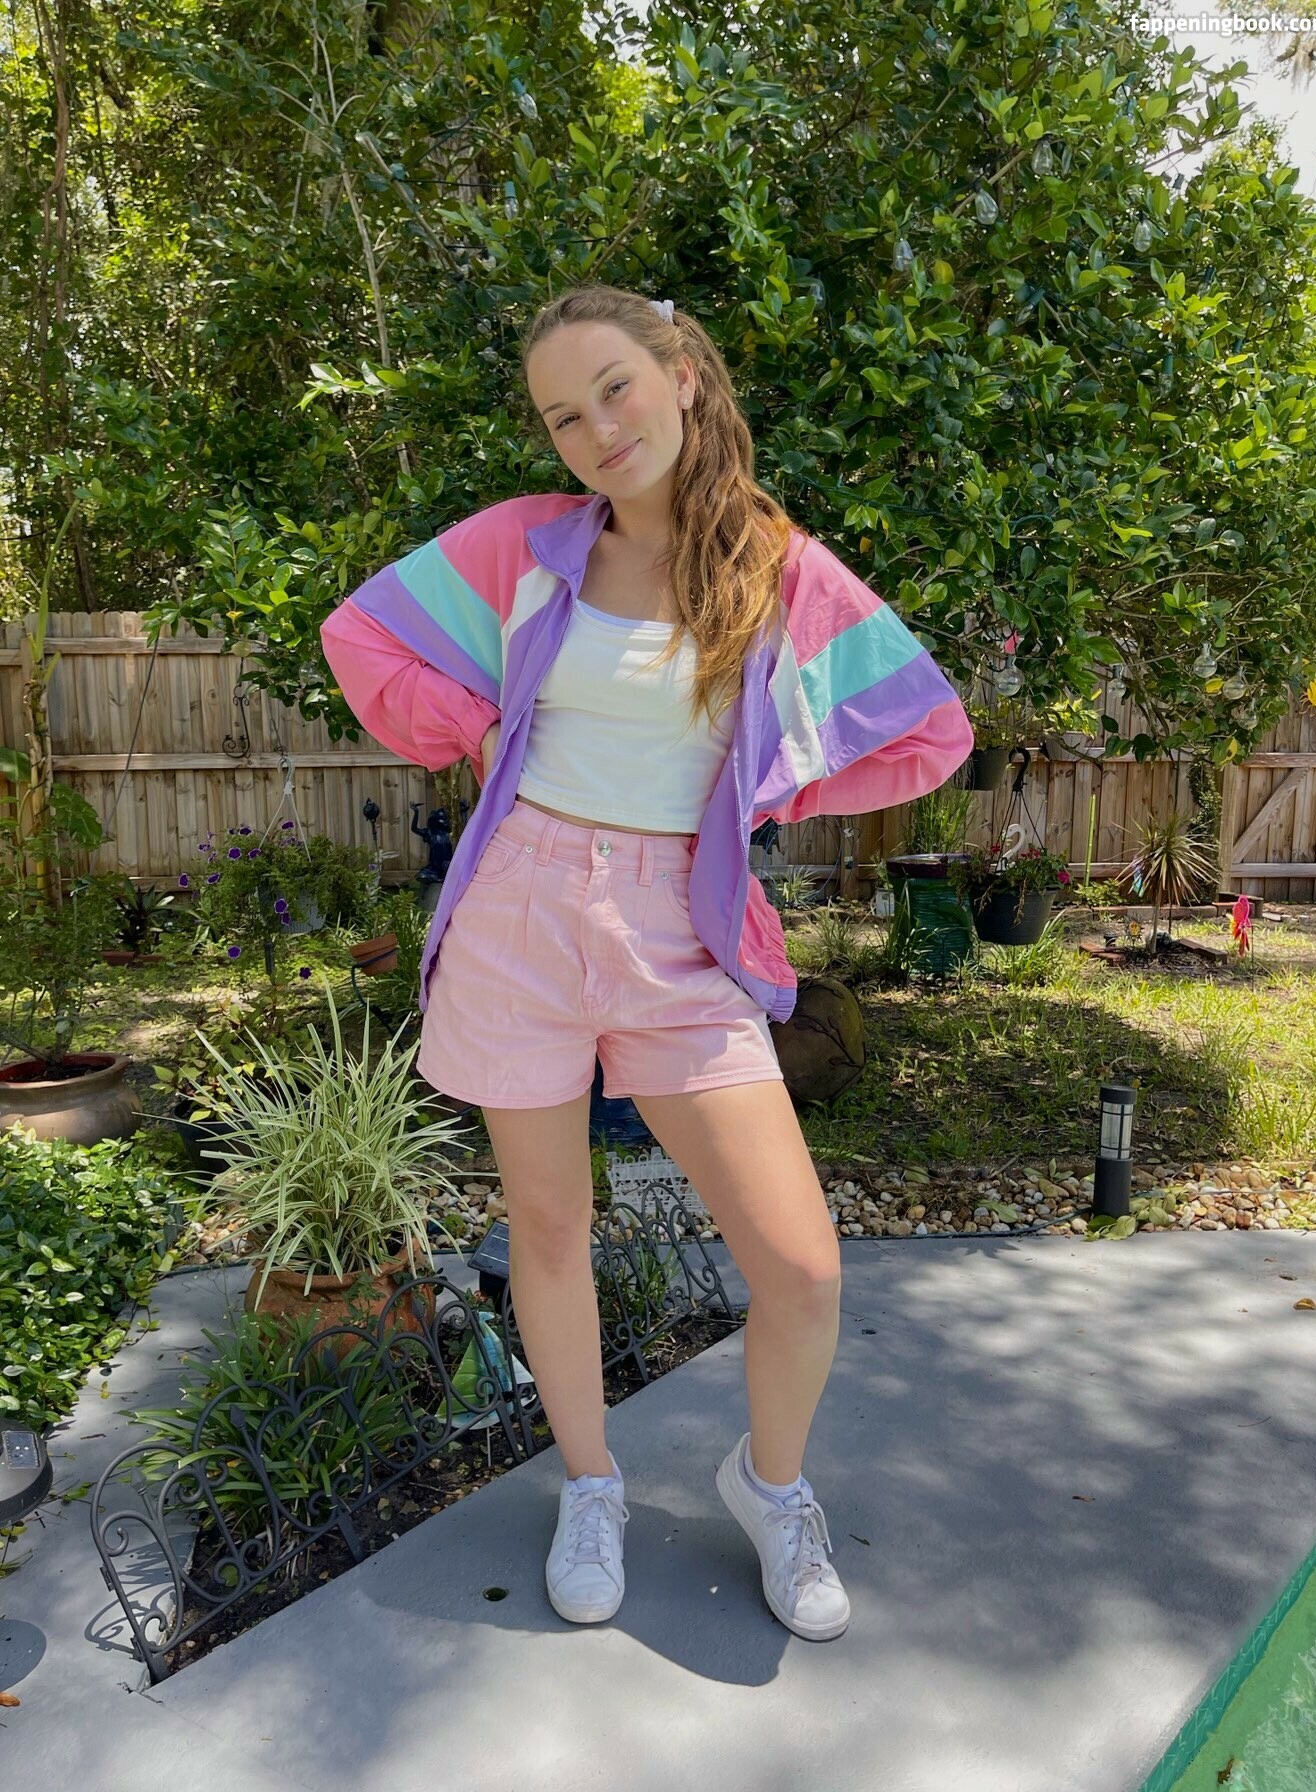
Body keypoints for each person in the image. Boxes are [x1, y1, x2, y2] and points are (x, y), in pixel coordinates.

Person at [319, 283, 974, 1644]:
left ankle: (772, 1486)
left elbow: (927, 729)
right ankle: (592, 1483)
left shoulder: (784, 572)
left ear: (681, 373)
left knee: (801, 1267)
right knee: (550, 1226)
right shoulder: (522, 545)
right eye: (564, 415)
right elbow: (360, 633)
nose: (596, 429)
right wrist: (475, 734)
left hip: (681, 929)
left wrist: (765, 787)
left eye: (614, 386)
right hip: (520, 909)